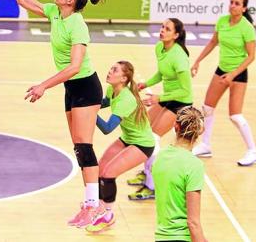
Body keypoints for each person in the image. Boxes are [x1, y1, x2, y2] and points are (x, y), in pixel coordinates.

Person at [3, 0, 104, 228]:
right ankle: (91, 205)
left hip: (85, 86)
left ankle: (93, 206)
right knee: (78, 147)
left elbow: (74, 67)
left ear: (71, 1)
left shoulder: (77, 24)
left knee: (85, 146)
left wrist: (43, 86)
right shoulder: (55, 14)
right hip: (72, 88)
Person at [84, 61, 154, 233]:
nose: (109, 71)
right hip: (127, 138)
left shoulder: (126, 99)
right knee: (100, 170)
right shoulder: (112, 90)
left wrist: (90, 112)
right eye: (111, 68)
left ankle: (108, 216)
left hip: (142, 144)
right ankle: (100, 208)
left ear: (123, 78)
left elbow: (107, 129)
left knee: (109, 174)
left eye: (114, 70)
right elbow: (104, 103)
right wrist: (88, 104)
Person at [127, 18, 193, 201]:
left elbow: (186, 90)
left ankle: (152, 186)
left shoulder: (179, 56)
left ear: (176, 35)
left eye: (167, 29)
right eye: (162, 27)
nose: (162, 30)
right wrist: (145, 84)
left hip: (181, 102)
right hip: (168, 97)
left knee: (153, 138)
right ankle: (147, 170)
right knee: (144, 130)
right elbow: (161, 73)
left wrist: (158, 98)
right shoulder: (160, 48)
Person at [191, 0, 256, 166]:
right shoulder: (222, 21)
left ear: (244, 8)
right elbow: (213, 42)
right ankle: (205, 145)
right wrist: (198, 61)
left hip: (238, 74)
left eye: (237, 3)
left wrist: (233, 74)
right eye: (231, 2)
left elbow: (251, 56)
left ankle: (253, 151)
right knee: (207, 108)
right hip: (221, 70)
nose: (232, 5)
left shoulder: (247, 27)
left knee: (235, 115)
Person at [153, 106, 207, 242]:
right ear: (200, 131)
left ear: (175, 126)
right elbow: (193, 223)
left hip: (161, 236)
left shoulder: (161, 156)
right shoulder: (194, 165)